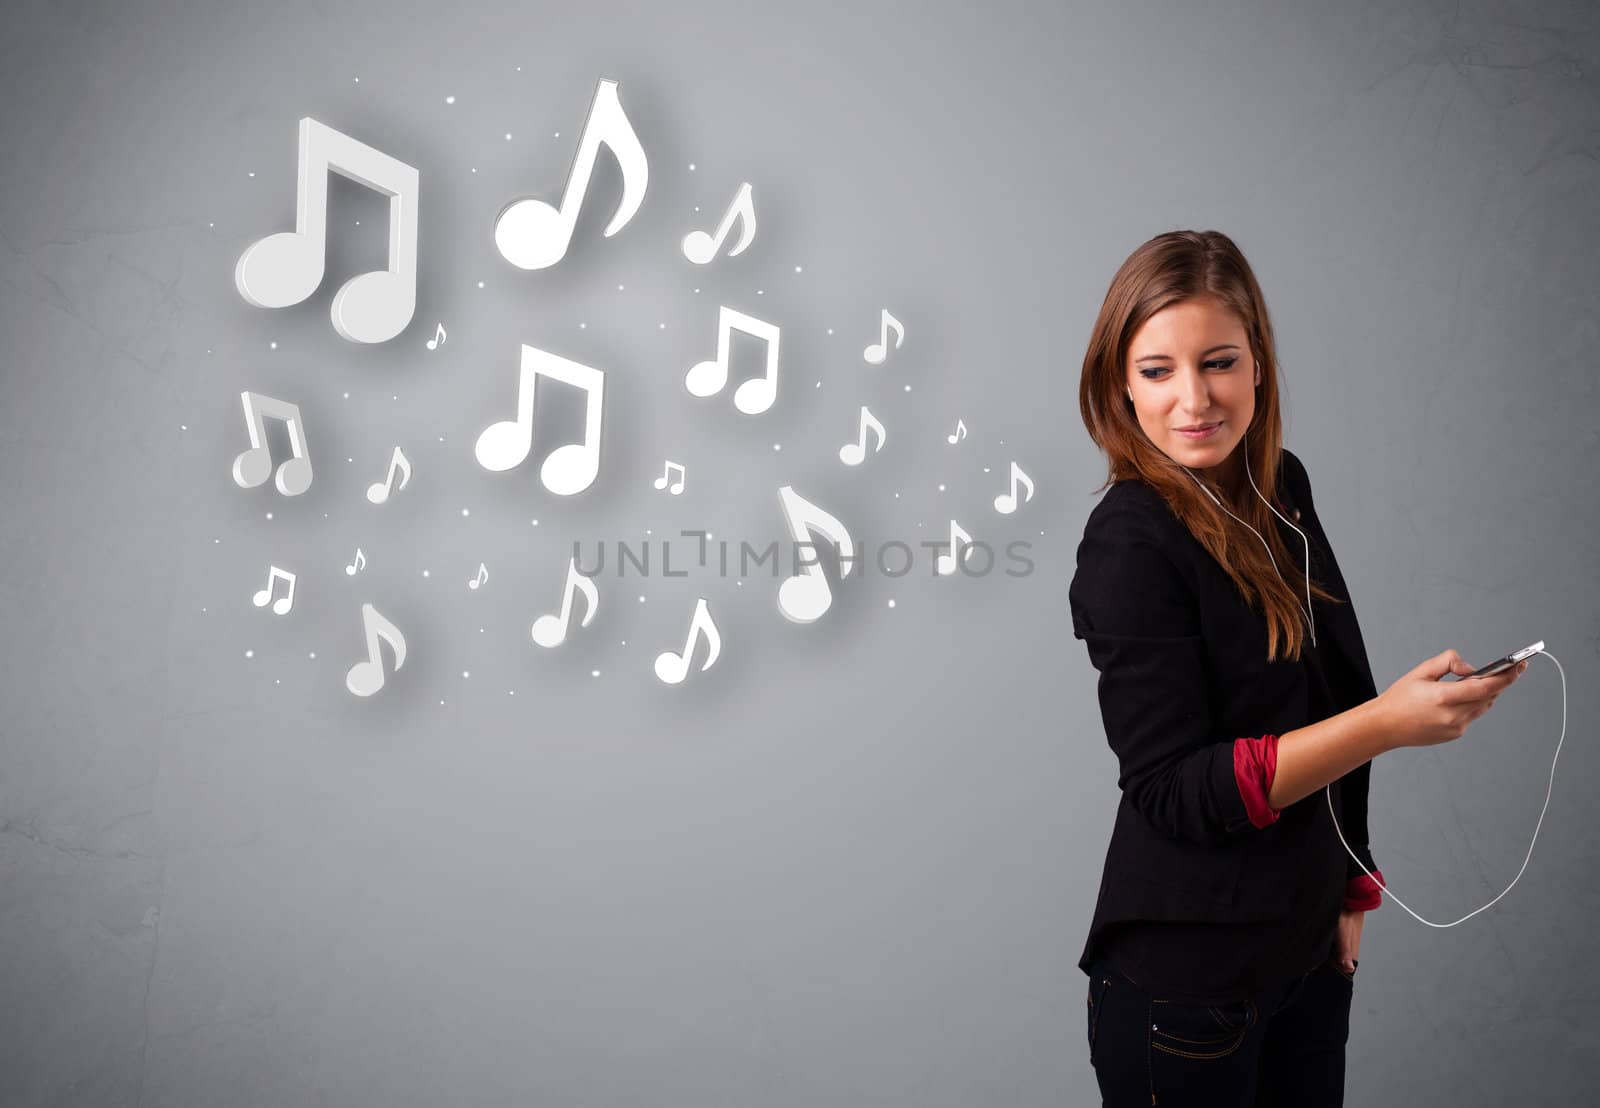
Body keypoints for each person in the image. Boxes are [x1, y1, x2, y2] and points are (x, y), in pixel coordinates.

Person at [1069, 230, 1529, 1106]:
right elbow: (1173, 787)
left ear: (1259, 366)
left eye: (1219, 362)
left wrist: (1349, 882)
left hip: (1306, 954)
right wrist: (1388, 727)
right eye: (1158, 370)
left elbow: (1332, 693)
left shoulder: (1281, 485)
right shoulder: (1128, 543)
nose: (1194, 399)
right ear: (1120, 385)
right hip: (1188, 990)